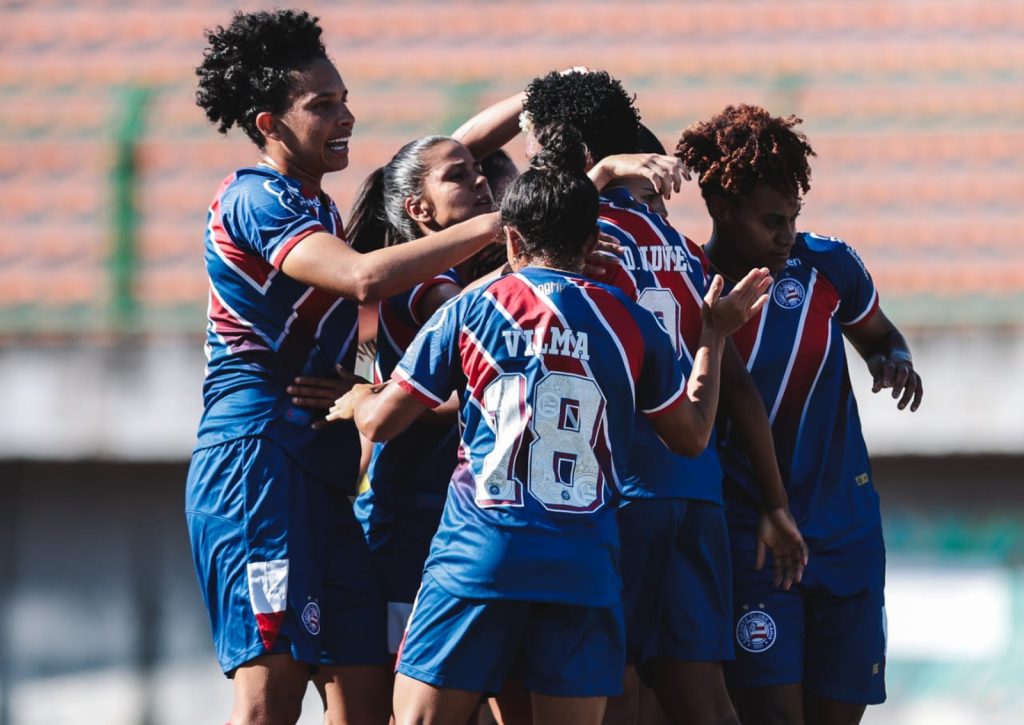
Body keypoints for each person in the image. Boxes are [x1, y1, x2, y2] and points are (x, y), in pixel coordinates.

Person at [326, 132, 772, 725]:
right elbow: (690, 438)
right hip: (581, 565)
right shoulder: (631, 324)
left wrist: (358, 397)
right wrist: (713, 336)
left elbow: (381, 425)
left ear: (511, 238)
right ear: (593, 241)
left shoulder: (473, 305)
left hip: (479, 555)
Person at [457, 70, 807, 725]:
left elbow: (497, 278)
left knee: (606, 689)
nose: (534, 163)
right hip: (694, 487)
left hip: (616, 491)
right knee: (702, 697)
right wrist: (775, 498)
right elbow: (736, 388)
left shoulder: (578, 240)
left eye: (542, 148)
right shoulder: (676, 243)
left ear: (575, 152)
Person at [186, 10, 502, 725]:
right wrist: (498, 226)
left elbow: (454, 153)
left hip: (323, 466)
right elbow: (363, 278)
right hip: (256, 463)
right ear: (269, 123)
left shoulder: (316, 202)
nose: (345, 116)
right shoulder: (255, 197)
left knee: (364, 695)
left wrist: (548, 94)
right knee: (269, 698)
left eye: (344, 98)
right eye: (321, 105)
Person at [676, 104, 923, 725]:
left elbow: (881, 336)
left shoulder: (828, 266)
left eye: (793, 218)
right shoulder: (687, 288)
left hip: (846, 529)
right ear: (722, 208)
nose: (787, 234)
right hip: (752, 534)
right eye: (771, 221)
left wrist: (892, 361)